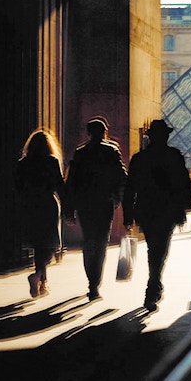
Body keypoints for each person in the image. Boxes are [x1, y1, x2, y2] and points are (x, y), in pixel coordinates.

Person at [122, 119, 191, 311]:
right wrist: (184, 207)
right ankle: (154, 284)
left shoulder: (139, 158)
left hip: (146, 210)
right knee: (160, 249)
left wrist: (128, 214)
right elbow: (184, 184)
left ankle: (154, 284)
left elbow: (130, 189)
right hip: (167, 210)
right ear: (166, 136)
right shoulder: (174, 156)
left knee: (154, 247)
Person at [64, 116, 127, 300]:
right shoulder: (112, 151)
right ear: (105, 132)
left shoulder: (80, 153)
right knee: (100, 243)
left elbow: (72, 183)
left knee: (88, 241)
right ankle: (95, 283)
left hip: (85, 204)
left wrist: (70, 209)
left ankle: (91, 279)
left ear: (88, 133)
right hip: (104, 203)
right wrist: (118, 197)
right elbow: (122, 177)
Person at [15, 128, 65, 299]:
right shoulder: (51, 161)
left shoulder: (23, 163)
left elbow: (18, 187)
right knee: (49, 244)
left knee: (38, 244)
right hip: (47, 203)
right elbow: (59, 185)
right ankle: (37, 276)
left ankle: (43, 282)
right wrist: (68, 204)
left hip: (30, 204)